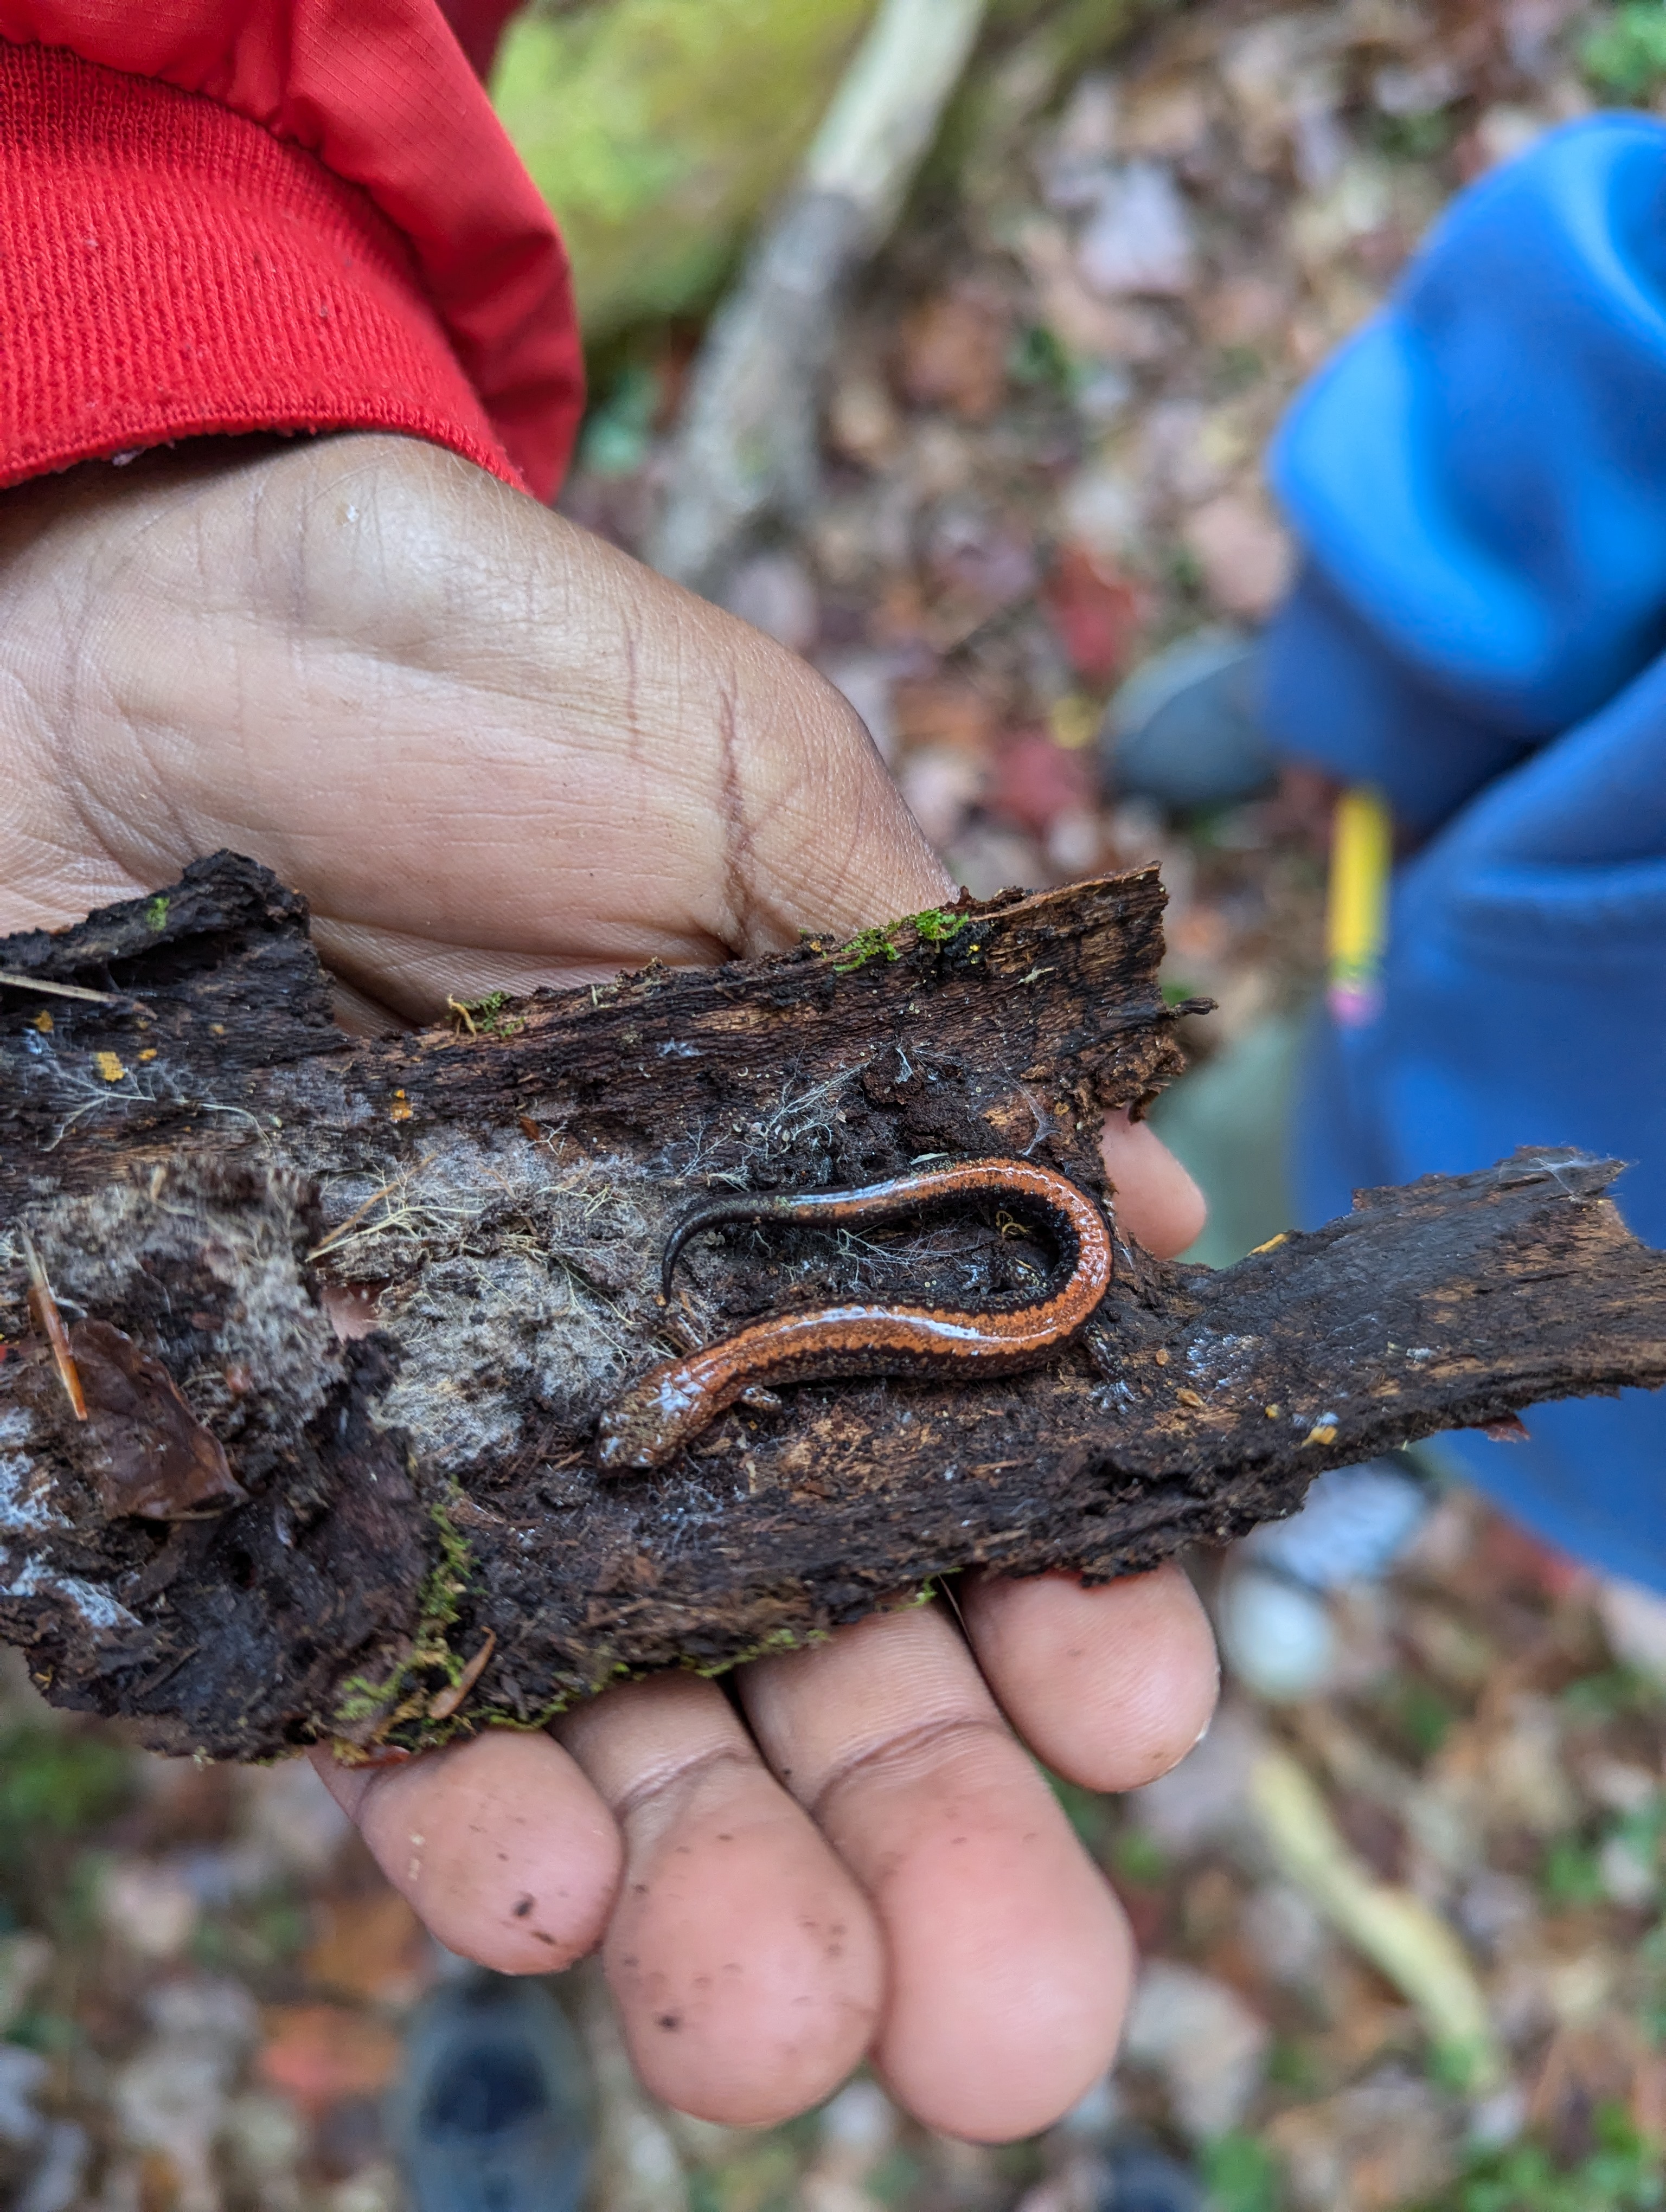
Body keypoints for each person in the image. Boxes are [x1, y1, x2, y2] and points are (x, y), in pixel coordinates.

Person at [0, 0, 1218, 2164]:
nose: (677, 1404)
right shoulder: (720, 1361)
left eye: (681, 1401)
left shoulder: (739, 1363)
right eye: (684, 1404)